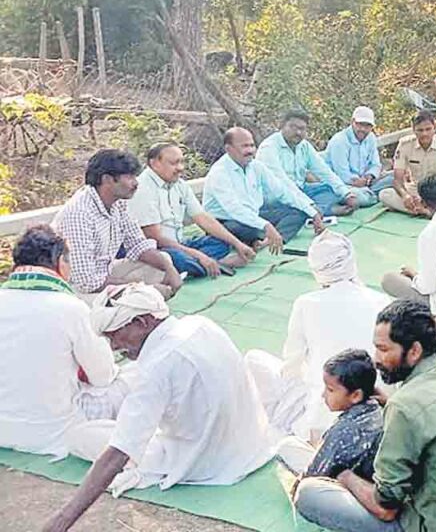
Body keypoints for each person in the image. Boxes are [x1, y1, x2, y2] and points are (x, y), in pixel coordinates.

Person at [43, 284, 274, 532]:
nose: (112, 346)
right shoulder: (202, 324)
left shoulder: (156, 368)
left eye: (114, 336)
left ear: (141, 322)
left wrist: (63, 519)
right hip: (251, 444)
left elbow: (119, 453)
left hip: (203, 462)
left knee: (79, 436)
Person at [291, 300, 436, 532]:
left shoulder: (404, 407)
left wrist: (344, 476)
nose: (376, 359)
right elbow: (429, 418)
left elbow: (385, 508)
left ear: (414, 351)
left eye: (384, 349)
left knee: (308, 493)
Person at [246, 230, 391, 441]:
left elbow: (291, 367)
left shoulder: (306, 304)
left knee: (255, 360)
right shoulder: (381, 301)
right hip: (380, 403)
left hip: (325, 412)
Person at [0, 225, 118, 458]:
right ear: (59, 262)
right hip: (51, 433)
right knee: (132, 377)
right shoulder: (71, 308)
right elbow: (103, 377)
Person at [53, 149, 181, 300]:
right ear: (107, 179)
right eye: (129, 177)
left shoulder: (118, 203)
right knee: (141, 299)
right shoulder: (79, 214)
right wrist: (141, 289)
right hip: (74, 292)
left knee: (163, 262)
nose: (135, 183)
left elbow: (138, 245)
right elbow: (85, 282)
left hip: (103, 274)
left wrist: (170, 269)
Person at [129, 142, 256, 279]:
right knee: (177, 259)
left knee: (222, 242)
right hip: (156, 250)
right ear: (154, 164)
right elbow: (155, 239)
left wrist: (237, 244)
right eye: (174, 163)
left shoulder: (179, 184)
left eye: (181, 162)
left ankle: (202, 265)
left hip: (179, 244)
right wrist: (198, 255)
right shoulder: (142, 189)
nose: (180, 168)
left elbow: (202, 217)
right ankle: (221, 264)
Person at [204, 127, 322, 254]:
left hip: (254, 215)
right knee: (248, 229)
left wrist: (312, 212)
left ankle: (265, 241)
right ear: (229, 149)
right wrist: (265, 225)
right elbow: (234, 210)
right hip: (226, 221)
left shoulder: (256, 166)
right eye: (244, 146)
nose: (250, 151)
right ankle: (263, 238)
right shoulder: (220, 173)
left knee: (298, 212)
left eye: (252, 145)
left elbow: (282, 191)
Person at [276, 350, 383, 484]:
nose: (323, 394)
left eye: (330, 390)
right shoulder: (377, 408)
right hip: (366, 480)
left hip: (354, 488)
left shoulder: (344, 428)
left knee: (286, 448)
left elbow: (313, 475)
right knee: (292, 444)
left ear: (356, 395)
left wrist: (298, 486)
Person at [380, 174, 436, 315]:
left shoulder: (430, 233)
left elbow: (427, 287)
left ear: (423, 203)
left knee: (389, 280)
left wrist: (414, 275)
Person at [257, 109, 358, 217]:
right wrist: (308, 204)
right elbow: (282, 184)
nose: (298, 132)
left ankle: (317, 211)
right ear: (282, 126)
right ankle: (321, 211)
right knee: (292, 208)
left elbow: (324, 171)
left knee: (329, 189)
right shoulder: (269, 147)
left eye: (302, 129)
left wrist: (347, 194)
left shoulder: (304, 146)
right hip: (277, 197)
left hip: (301, 190)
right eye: (293, 127)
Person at [379, 111, 436, 216]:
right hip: (415, 190)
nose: (424, 134)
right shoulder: (405, 144)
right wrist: (405, 196)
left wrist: (431, 199)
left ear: (434, 128)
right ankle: (429, 212)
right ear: (414, 130)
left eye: (428, 129)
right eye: (420, 130)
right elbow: (397, 180)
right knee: (385, 195)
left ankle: (421, 211)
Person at [325, 106, 394, 208]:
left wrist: (369, 176)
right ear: (352, 122)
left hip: (367, 183)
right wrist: (358, 182)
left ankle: (372, 195)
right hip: (344, 185)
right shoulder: (339, 141)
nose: (363, 129)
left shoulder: (371, 138)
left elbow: (375, 164)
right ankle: (374, 196)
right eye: (360, 124)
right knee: (357, 197)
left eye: (367, 126)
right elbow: (342, 174)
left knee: (395, 178)